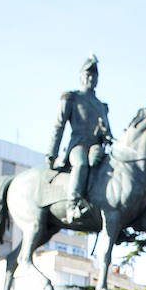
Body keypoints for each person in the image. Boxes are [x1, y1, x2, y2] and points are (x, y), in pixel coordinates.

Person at [46, 55, 113, 221]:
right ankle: (72, 205)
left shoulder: (101, 106)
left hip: (96, 147)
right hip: (78, 145)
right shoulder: (72, 98)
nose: (91, 78)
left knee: (109, 167)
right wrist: (51, 153)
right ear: (81, 77)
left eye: (94, 76)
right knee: (81, 163)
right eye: (88, 75)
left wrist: (107, 136)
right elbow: (59, 126)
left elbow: (108, 133)